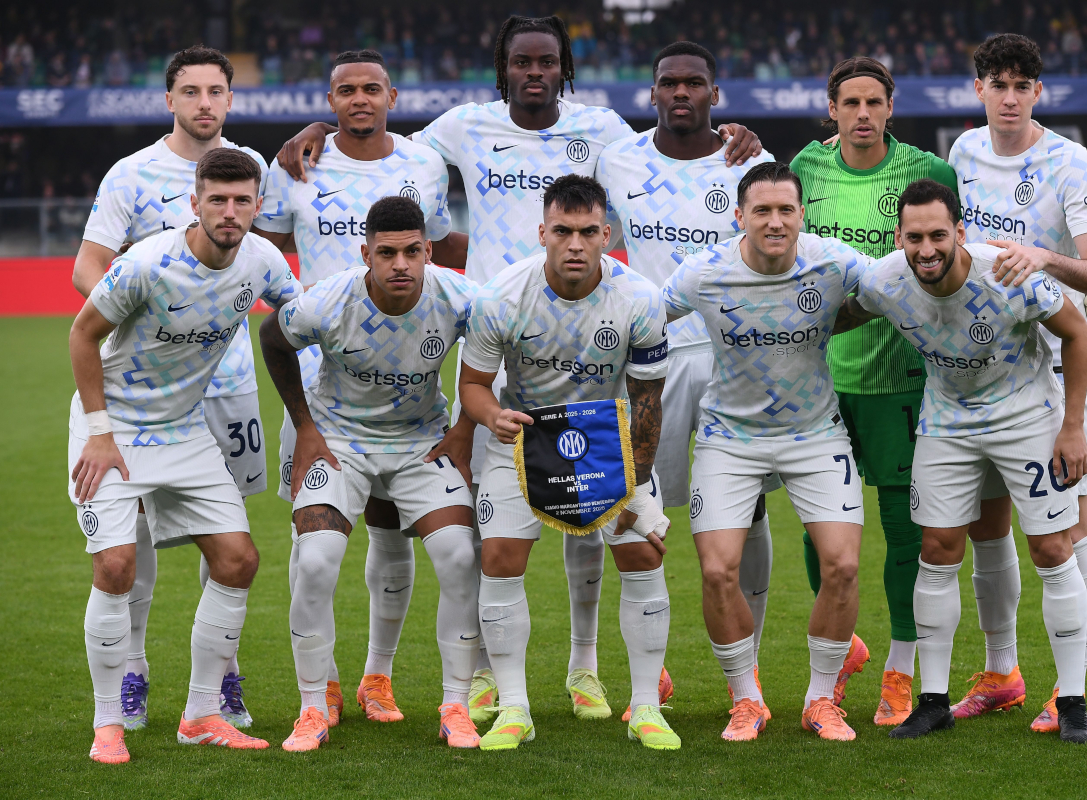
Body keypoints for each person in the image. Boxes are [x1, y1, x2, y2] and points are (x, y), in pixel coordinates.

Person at [274, 15, 762, 723]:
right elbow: (384, 142)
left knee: (590, 502)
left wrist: (732, 137)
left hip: (583, 334)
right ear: (502, 70)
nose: (534, 73)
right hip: (488, 333)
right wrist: (315, 133)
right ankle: (476, 675)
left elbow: (670, 143)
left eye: (547, 62)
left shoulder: (601, 131)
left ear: (564, 68)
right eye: (521, 62)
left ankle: (586, 666)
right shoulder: (462, 126)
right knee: (477, 524)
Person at [842, 178, 1087, 744]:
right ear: (899, 237)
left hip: (1026, 416)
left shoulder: (1006, 272)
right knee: (936, 549)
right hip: (948, 421)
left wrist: (1073, 426)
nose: (926, 249)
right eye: (914, 237)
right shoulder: (885, 280)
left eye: (938, 234)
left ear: (960, 232)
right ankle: (932, 700)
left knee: (1053, 549)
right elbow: (836, 318)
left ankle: (1074, 701)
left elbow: (1076, 332)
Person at [253, 48, 466, 728]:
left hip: (408, 394)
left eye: (371, 87)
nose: (360, 99)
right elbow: (263, 248)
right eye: (346, 89)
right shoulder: (295, 166)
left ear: (392, 95)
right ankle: (325, 687)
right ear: (330, 99)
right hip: (324, 382)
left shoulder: (424, 163)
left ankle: (379, 676)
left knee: (393, 539)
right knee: (312, 548)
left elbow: (448, 247)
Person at [68, 148, 302, 763]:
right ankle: (108, 722)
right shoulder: (147, 263)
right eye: (217, 200)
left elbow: (301, 315)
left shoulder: (262, 261)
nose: (230, 212)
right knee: (116, 566)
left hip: (182, 430)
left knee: (238, 559)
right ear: (194, 203)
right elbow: (82, 334)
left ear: (257, 204)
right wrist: (97, 430)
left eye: (242, 200)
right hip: (113, 428)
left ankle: (200, 714)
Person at [458, 175, 678, 751]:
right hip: (525, 435)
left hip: (606, 439)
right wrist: (491, 417)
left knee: (641, 552)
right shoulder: (499, 298)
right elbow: (474, 386)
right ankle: (515, 709)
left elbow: (648, 400)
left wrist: (633, 488)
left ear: (607, 234)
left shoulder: (641, 299)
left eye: (587, 232)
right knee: (500, 557)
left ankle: (647, 709)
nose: (574, 244)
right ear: (543, 233)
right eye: (562, 231)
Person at [594, 41, 776, 721]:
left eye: (693, 82)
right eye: (667, 82)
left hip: (733, 360)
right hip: (648, 361)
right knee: (642, 507)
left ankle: (747, 670)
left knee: (746, 509)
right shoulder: (619, 159)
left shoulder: (750, 163)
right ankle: (653, 668)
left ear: (715, 94)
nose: (680, 92)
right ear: (651, 93)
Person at [260, 196, 482, 751]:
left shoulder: (460, 297)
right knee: (315, 559)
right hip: (339, 440)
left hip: (420, 442)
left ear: (429, 251)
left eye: (412, 251)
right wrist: (305, 426)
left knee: (459, 555)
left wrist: (463, 431)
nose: (401, 264)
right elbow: (272, 339)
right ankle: (315, 702)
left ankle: (452, 703)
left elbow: (500, 345)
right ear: (366, 254)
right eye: (387, 253)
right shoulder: (330, 300)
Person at [946, 33, 1087, 729]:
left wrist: (1044, 257)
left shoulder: (1068, 163)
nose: (1010, 97)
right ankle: (1001, 672)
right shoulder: (962, 153)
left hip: (1052, 370)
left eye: (1022, 85)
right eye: (998, 83)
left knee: (1068, 531)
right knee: (988, 530)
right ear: (978, 88)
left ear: (1037, 92)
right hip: (981, 369)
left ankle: (1067, 686)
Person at [663, 162, 868, 742]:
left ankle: (821, 699)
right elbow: (640, 316)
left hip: (815, 433)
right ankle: (746, 699)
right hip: (729, 437)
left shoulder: (834, 262)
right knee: (717, 570)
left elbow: (902, 284)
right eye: (762, 211)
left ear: (803, 215)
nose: (775, 221)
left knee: (843, 565)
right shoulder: (704, 273)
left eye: (786, 210)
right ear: (739, 217)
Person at [789, 56, 963, 727]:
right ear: (831, 109)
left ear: (892, 107)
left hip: (900, 380)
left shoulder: (928, 174)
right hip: (820, 378)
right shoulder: (804, 170)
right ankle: (843, 650)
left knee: (903, 534)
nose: (863, 114)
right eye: (850, 103)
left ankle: (900, 669)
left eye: (874, 102)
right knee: (820, 532)